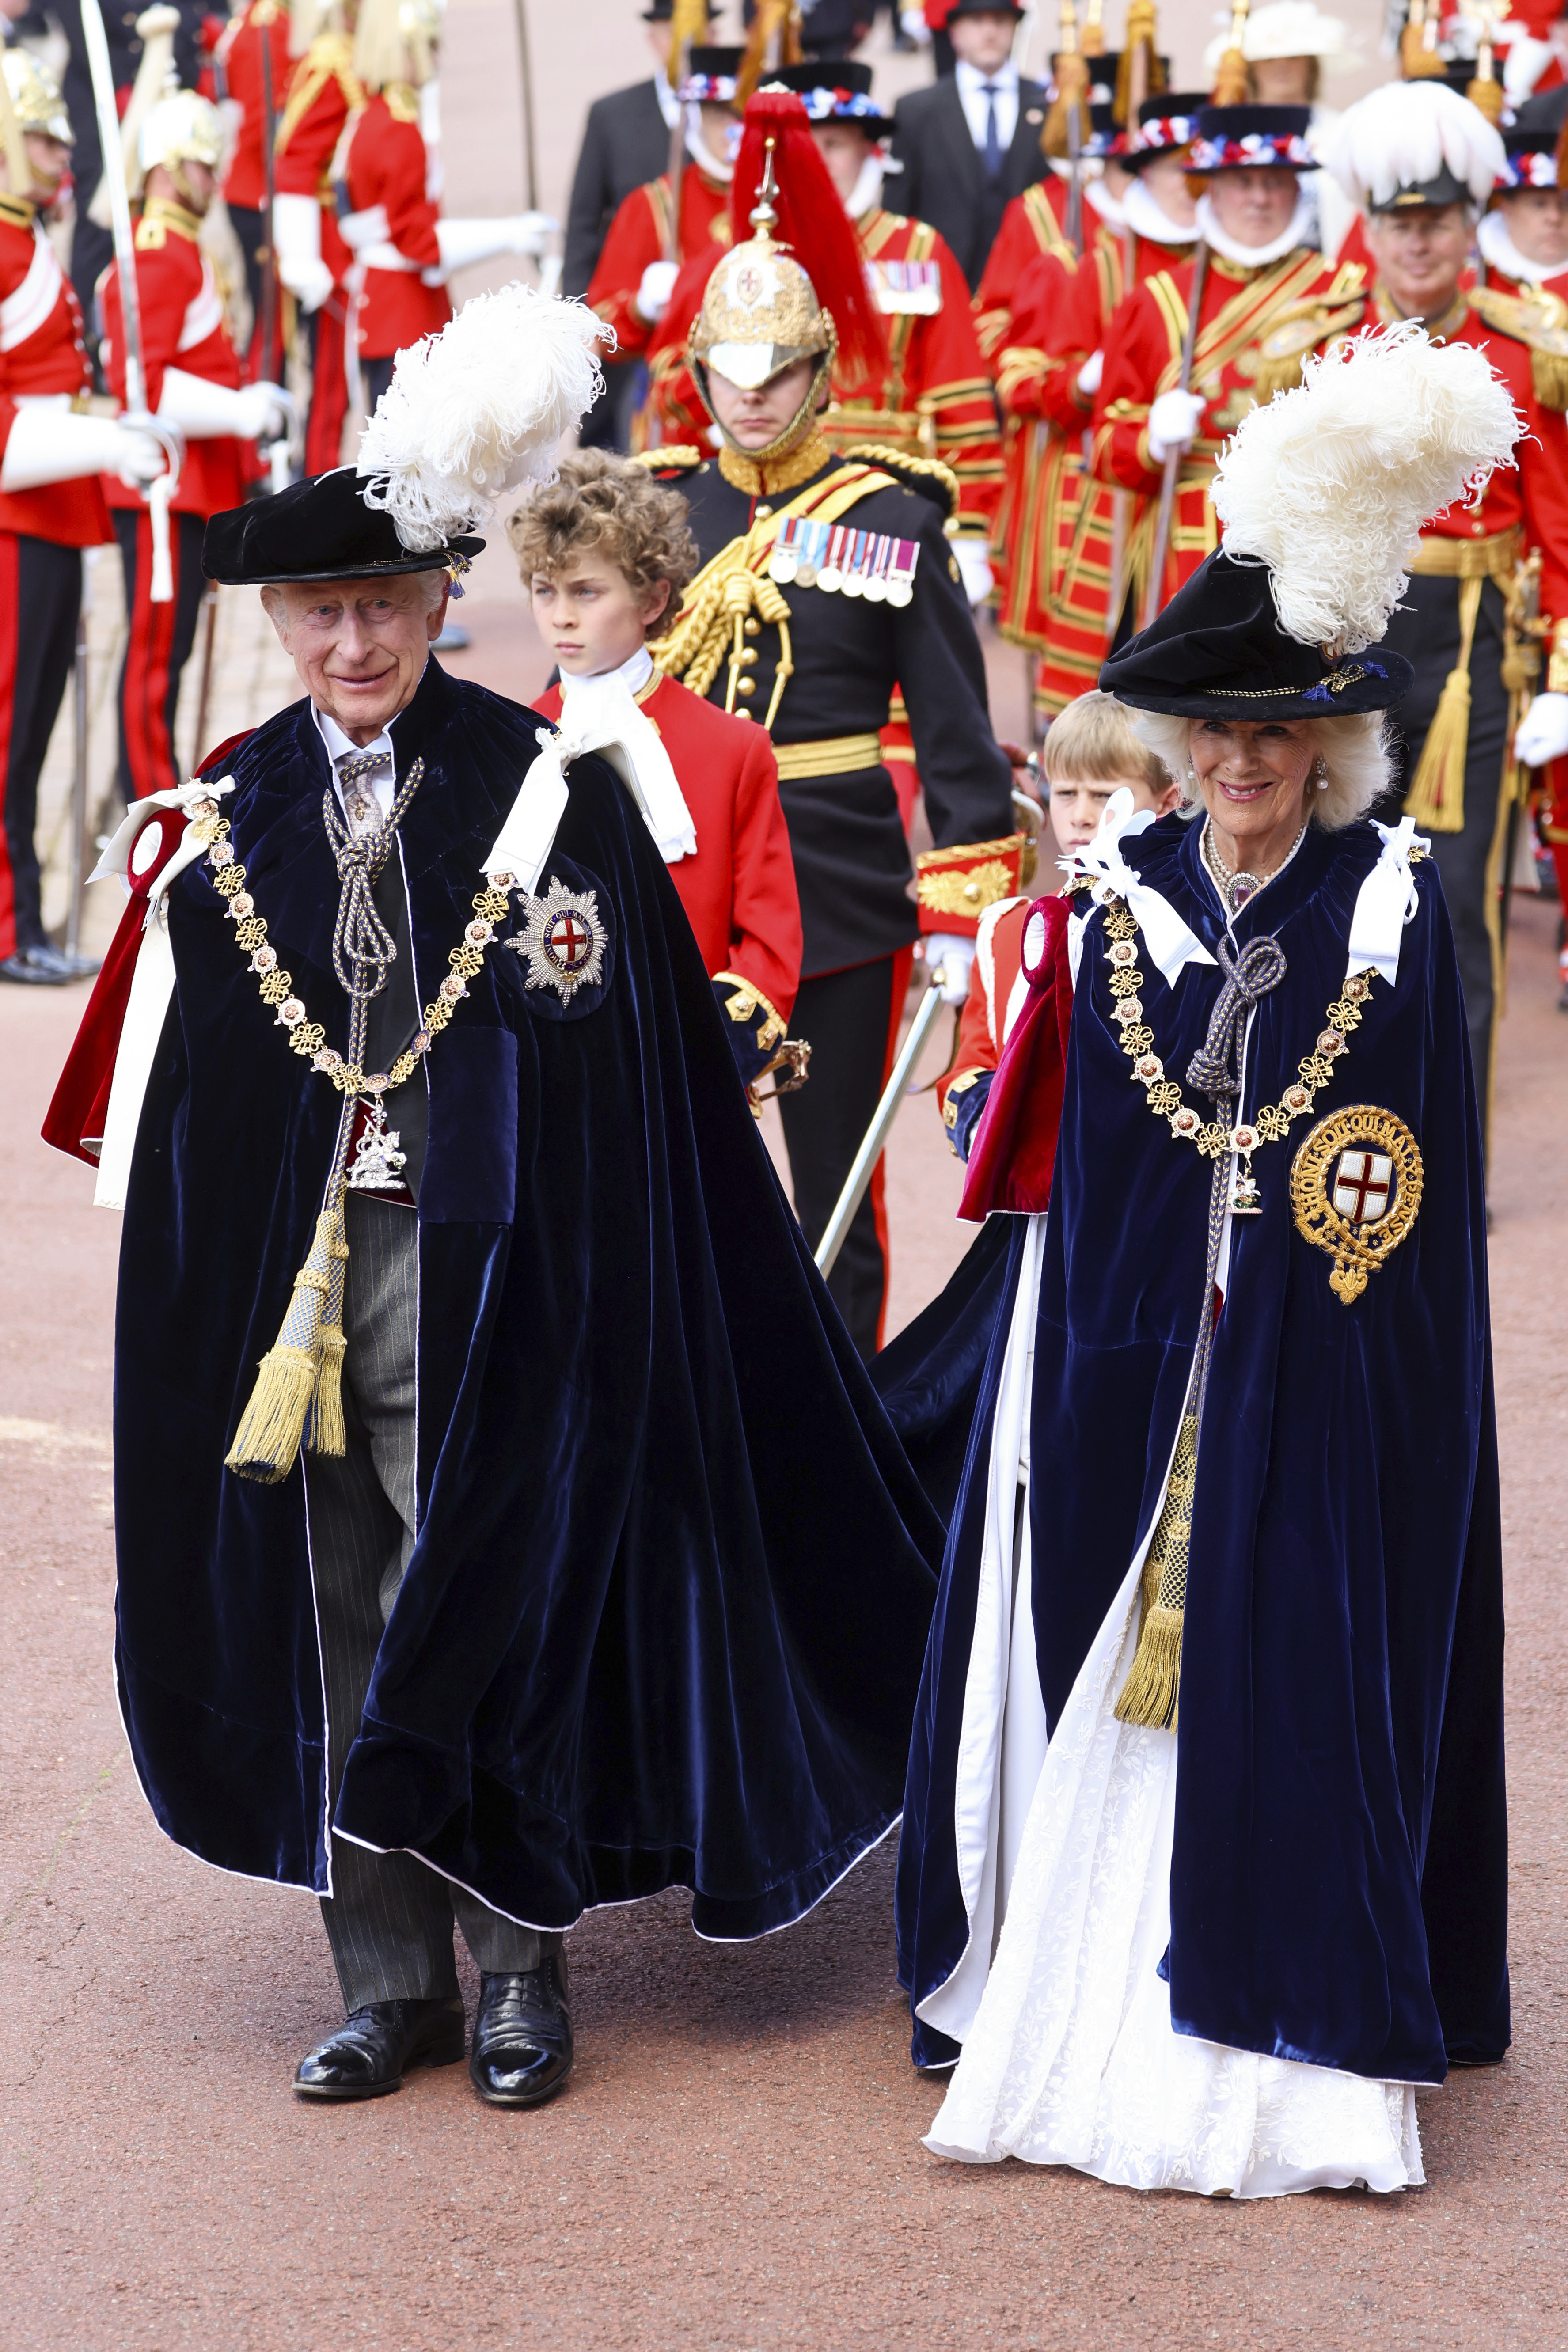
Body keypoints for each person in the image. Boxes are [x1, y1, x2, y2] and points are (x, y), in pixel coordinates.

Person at [40, 282, 944, 2109]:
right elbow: (201, 1114)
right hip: (304, 1294)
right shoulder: (223, 818)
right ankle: (391, 1981)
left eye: (383, 604)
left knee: (496, 1595)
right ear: (282, 621)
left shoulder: (547, 791)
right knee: (341, 1598)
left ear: (440, 602)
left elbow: (625, 1066)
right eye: (320, 611)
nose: (353, 639)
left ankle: (519, 1962)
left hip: (501, 1277)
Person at [901, 324, 1513, 2193]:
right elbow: (1091, 1187)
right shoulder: (1121, 908)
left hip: (1323, 1376)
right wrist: (1124, 1364)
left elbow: (1395, 1187)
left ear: (1330, 739)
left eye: (1282, 729)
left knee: (1302, 1654)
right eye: (1219, 729)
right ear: (1179, 744)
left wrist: (1305, 1355)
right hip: (1138, 1369)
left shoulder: (1394, 912)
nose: (1246, 759)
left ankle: (1300, 2005)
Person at [642, 95, 1018, 1356]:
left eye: (778, 373)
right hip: (683, 878)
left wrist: (963, 917)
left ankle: (836, 1454)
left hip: (841, 891)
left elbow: (961, 748)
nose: (751, 400)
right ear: (697, 373)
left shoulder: (891, 519)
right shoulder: (655, 514)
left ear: (819, 369)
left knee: (836, 1195)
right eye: (728, 375)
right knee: (674, 1185)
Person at [1325, 76, 1568, 1125]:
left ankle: (1451, 1146)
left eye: (1437, 224)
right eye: (1398, 224)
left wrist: (1564, 673)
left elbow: (1559, 533)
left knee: (1460, 904)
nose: (1417, 246)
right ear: (1370, 230)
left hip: (1475, 657)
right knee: (1337, 891)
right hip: (1351, 649)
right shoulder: (1324, 347)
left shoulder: (1527, 350)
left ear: (1472, 226)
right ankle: (1336, 1121)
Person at [509, 448, 805, 1094]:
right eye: (544, 591)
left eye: (586, 591)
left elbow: (769, 943)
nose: (561, 615)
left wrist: (705, 1054)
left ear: (652, 599)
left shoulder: (733, 747)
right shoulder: (509, 743)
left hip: (687, 1073)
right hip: (549, 1075)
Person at [642, 61, 1002, 586]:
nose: (817, 162)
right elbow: (672, 390)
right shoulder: (735, 261)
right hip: (758, 503)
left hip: (885, 506)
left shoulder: (919, 252)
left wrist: (969, 531)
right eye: (805, 147)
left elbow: (961, 401)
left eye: (833, 144)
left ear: (869, 151)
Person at [0, 46, 164, 986]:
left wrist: (115, 422)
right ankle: (10, 923)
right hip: (17, 523)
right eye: (43, 138)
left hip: (50, 519)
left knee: (33, 734)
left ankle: (24, 912)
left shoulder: (30, 241)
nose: (63, 156)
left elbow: (51, 389)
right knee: (11, 736)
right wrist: (105, 446)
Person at [1093, 100, 1370, 627]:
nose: (1260, 198)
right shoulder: (1155, 301)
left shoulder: (1343, 292)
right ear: (1212, 189)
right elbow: (1105, 447)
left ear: (1298, 189)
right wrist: (1149, 439)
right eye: (1243, 181)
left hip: (1303, 547)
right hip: (1181, 553)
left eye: (1276, 181)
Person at [99, 88, 291, 805]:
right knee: (154, 656)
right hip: (162, 487)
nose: (214, 180)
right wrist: (241, 410)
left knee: (170, 653)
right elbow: (142, 383)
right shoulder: (158, 251)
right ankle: (149, 794)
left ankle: (162, 777)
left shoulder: (181, 249)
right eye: (203, 167)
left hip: (187, 484)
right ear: (168, 168)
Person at [994, 93, 1200, 715]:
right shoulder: (1096, 266)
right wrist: (1081, 381)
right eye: (1179, 171)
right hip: (1105, 490)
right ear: (1145, 175)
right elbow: (1020, 376)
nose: (1194, 187)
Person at [936, 692, 1179, 1162]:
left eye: (1107, 795)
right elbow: (972, 1064)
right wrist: (996, 1123)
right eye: (1066, 793)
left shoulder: (1181, 931)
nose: (1082, 814)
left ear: (1167, 802)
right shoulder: (1009, 929)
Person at [331, 0, 552, 417]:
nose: (436, 56)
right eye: (429, 45)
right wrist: (508, 235)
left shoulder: (374, 118)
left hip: (384, 309)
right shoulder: (398, 132)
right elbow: (420, 243)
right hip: (405, 313)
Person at [563, 0, 715, 452]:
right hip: (629, 319)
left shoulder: (730, 114)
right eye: (673, 35)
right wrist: (577, 318)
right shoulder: (613, 115)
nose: (685, 48)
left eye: (697, 35)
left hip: (701, 325)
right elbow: (584, 224)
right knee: (613, 446)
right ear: (653, 38)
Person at [584, 44, 741, 383]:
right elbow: (604, 326)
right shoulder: (655, 203)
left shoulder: (789, 200)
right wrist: (642, 307)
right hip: (681, 402)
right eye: (719, 116)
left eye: (743, 116)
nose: (733, 130)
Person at [889, 0, 1048, 292]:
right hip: (941, 283)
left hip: (1027, 286)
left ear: (1015, 29)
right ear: (954, 32)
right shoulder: (917, 110)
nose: (989, 32)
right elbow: (898, 210)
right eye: (976, 21)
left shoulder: (1047, 107)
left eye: (1000, 21)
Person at [213, 0, 293, 381]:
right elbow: (266, 120)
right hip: (260, 193)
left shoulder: (258, 20)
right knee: (270, 320)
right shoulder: (269, 26)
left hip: (251, 190)